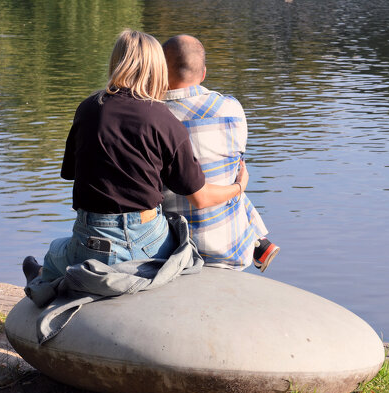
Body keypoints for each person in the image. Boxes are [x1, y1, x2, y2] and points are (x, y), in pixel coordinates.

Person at [24, 29, 250, 288]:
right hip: (146, 242)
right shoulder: (163, 118)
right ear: (157, 68)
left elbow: (72, 172)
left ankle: (40, 281)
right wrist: (238, 187)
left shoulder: (87, 108)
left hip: (90, 237)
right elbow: (200, 197)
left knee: (55, 253)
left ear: (115, 62)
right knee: (180, 235)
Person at [161, 35, 277, 271]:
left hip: (174, 248)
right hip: (232, 247)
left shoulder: (152, 116)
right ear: (203, 74)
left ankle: (259, 241)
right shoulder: (231, 108)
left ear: (159, 72)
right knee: (233, 169)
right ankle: (256, 240)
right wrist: (239, 186)